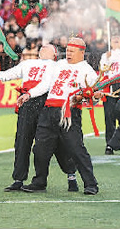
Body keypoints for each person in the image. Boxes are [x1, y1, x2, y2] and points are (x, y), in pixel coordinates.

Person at [0, 44, 78, 192]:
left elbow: (47, 85)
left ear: (55, 54)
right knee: (22, 140)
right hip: (27, 104)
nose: (44, 47)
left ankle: (71, 174)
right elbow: (5, 75)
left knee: (54, 142)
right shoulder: (27, 63)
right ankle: (18, 179)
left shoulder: (57, 66)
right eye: (42, 47)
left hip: (46, 102)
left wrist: (30, 94)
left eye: (49, 47)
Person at [20, 37, 100, 195]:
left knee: (76, 149)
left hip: (68, 113)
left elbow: (94, 96)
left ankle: (91, 184)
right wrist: (29, 94)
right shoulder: (59, 65)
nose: (68, 53)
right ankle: (39, 182)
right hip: (48, 110)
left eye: (72, 51)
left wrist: (93, 96)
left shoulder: (87, 71)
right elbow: (45, 85)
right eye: (67, 50)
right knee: (40, 149)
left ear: (81, 52)